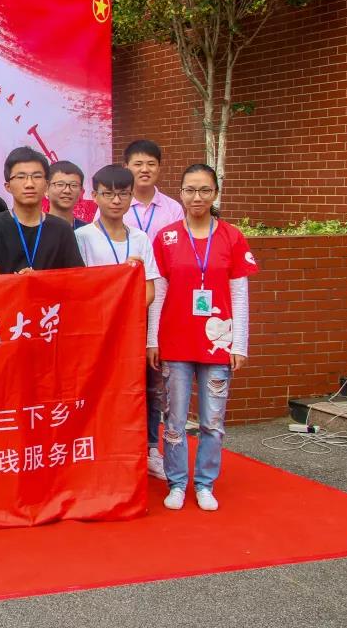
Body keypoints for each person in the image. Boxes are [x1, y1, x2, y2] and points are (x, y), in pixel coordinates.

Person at [147, 164, 258, 512]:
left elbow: (239, 294)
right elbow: (157, 293)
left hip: (218, 341)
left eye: (204, 190)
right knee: (175, 418)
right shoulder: (166, 237)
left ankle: (205, 483)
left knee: (212, 421)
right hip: (175, 342)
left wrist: (240, 343)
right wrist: (153, 339)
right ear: (180, 194)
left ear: (215, 194)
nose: (197, 197)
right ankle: (177, 482)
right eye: (190, 190)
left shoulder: (232, 237)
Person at [75, 165, 162, 478]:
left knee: (129, 396)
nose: (115, 201)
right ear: (94, 196)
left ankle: (132, 458)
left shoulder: (140, 238)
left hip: (129, 334)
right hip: (94, 335)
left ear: (131, 197)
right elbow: (80, 288)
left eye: (123, 194)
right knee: (96, 395)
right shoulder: (82, 237)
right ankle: (94, 458)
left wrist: (126, 300)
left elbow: (149, 289)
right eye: (108, 194)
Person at [123, 139, 185, 480]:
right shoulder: (116, 203)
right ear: (127, 167)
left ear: (160, 168)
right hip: (120, 309)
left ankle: (150, 448)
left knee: (154, 382)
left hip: (160, 304)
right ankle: (122, 448)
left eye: (150, 164)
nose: (144, 169)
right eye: (138, 163)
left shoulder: (173, 209)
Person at [0, 147, 84, 275]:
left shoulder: (62, 229)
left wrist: (39, 280)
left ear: (46, 185)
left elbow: (76, 278)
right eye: (21, 177)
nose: (29, 184)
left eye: (37, 176)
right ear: (8, 186)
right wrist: (17, 282)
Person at [47, 160, 88, 228]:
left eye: (74, 185)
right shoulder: (34, 228)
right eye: (60, 184)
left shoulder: (87, 231)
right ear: (46, 189)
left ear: (81, 191)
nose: (67, 191)